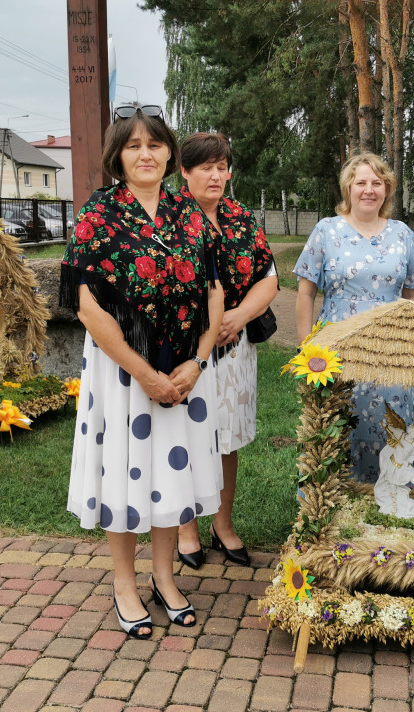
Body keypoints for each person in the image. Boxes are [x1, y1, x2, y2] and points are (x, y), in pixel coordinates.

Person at [59, 106, 224, 638]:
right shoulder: (97, 217)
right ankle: (125, 584)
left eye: (154, 144)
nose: (145, 154)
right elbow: (88, 309)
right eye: (133, 146)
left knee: (169, 476)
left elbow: (215, 291)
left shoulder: (190, 213)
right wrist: (144, 374)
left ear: (170, 152)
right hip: (123, 374)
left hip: (182, 371)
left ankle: (164, 576)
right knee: (126, 475)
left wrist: (196, 363)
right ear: (117, 158)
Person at [294, 153, 414, 482]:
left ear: (386, 189)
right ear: (348, 189)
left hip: (391, 348)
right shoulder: (326, 231)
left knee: (391, 420)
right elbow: (305, 293)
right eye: (361, 183)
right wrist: (306, 349)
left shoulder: (402, 234)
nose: (368, 190)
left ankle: (390, 499)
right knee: (336, 420)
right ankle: (332, 498)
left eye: (376, 183)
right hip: (336, 347)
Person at [175, 132, 278, 569]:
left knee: (227, 437)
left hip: (234, 346)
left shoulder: (240, 217)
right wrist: (209, 326)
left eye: (221, 168)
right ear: (184, 172)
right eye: (205, 168)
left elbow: (268, 276)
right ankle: (184, 527)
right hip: (186, 349)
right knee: (183, 435)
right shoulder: (168, 218)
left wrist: (235, 318)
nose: (215, 176)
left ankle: (223, 522)